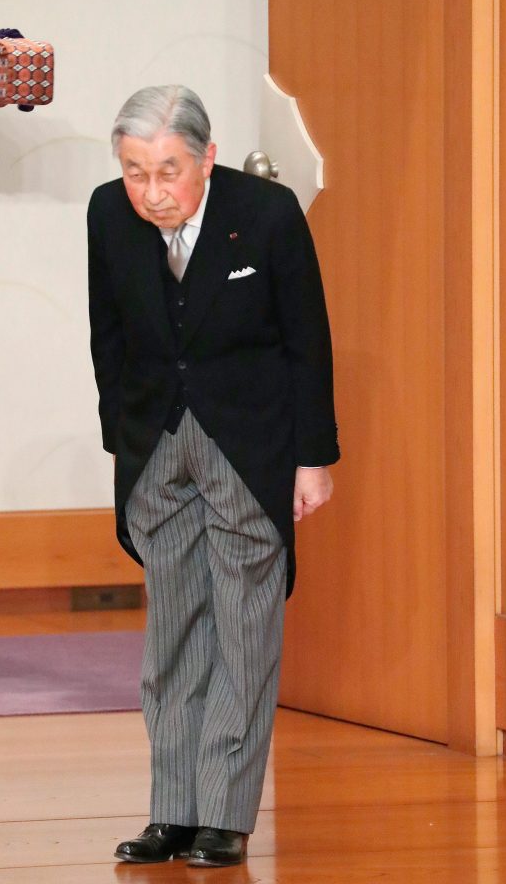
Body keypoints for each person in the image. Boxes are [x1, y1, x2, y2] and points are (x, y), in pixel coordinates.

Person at [88, 85, 339, 867]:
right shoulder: (106, 213)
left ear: (208, 156)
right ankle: (174, 810)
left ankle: (224, 815)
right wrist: (121, 446)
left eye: (169, 171)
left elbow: (308, 341)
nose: (152, 192)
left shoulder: (266, 214)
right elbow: (108, 335)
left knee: (243, 628)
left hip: (248, 448)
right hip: (156, 449)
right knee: (171, 634)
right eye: (135, 172)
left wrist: (313, 458)